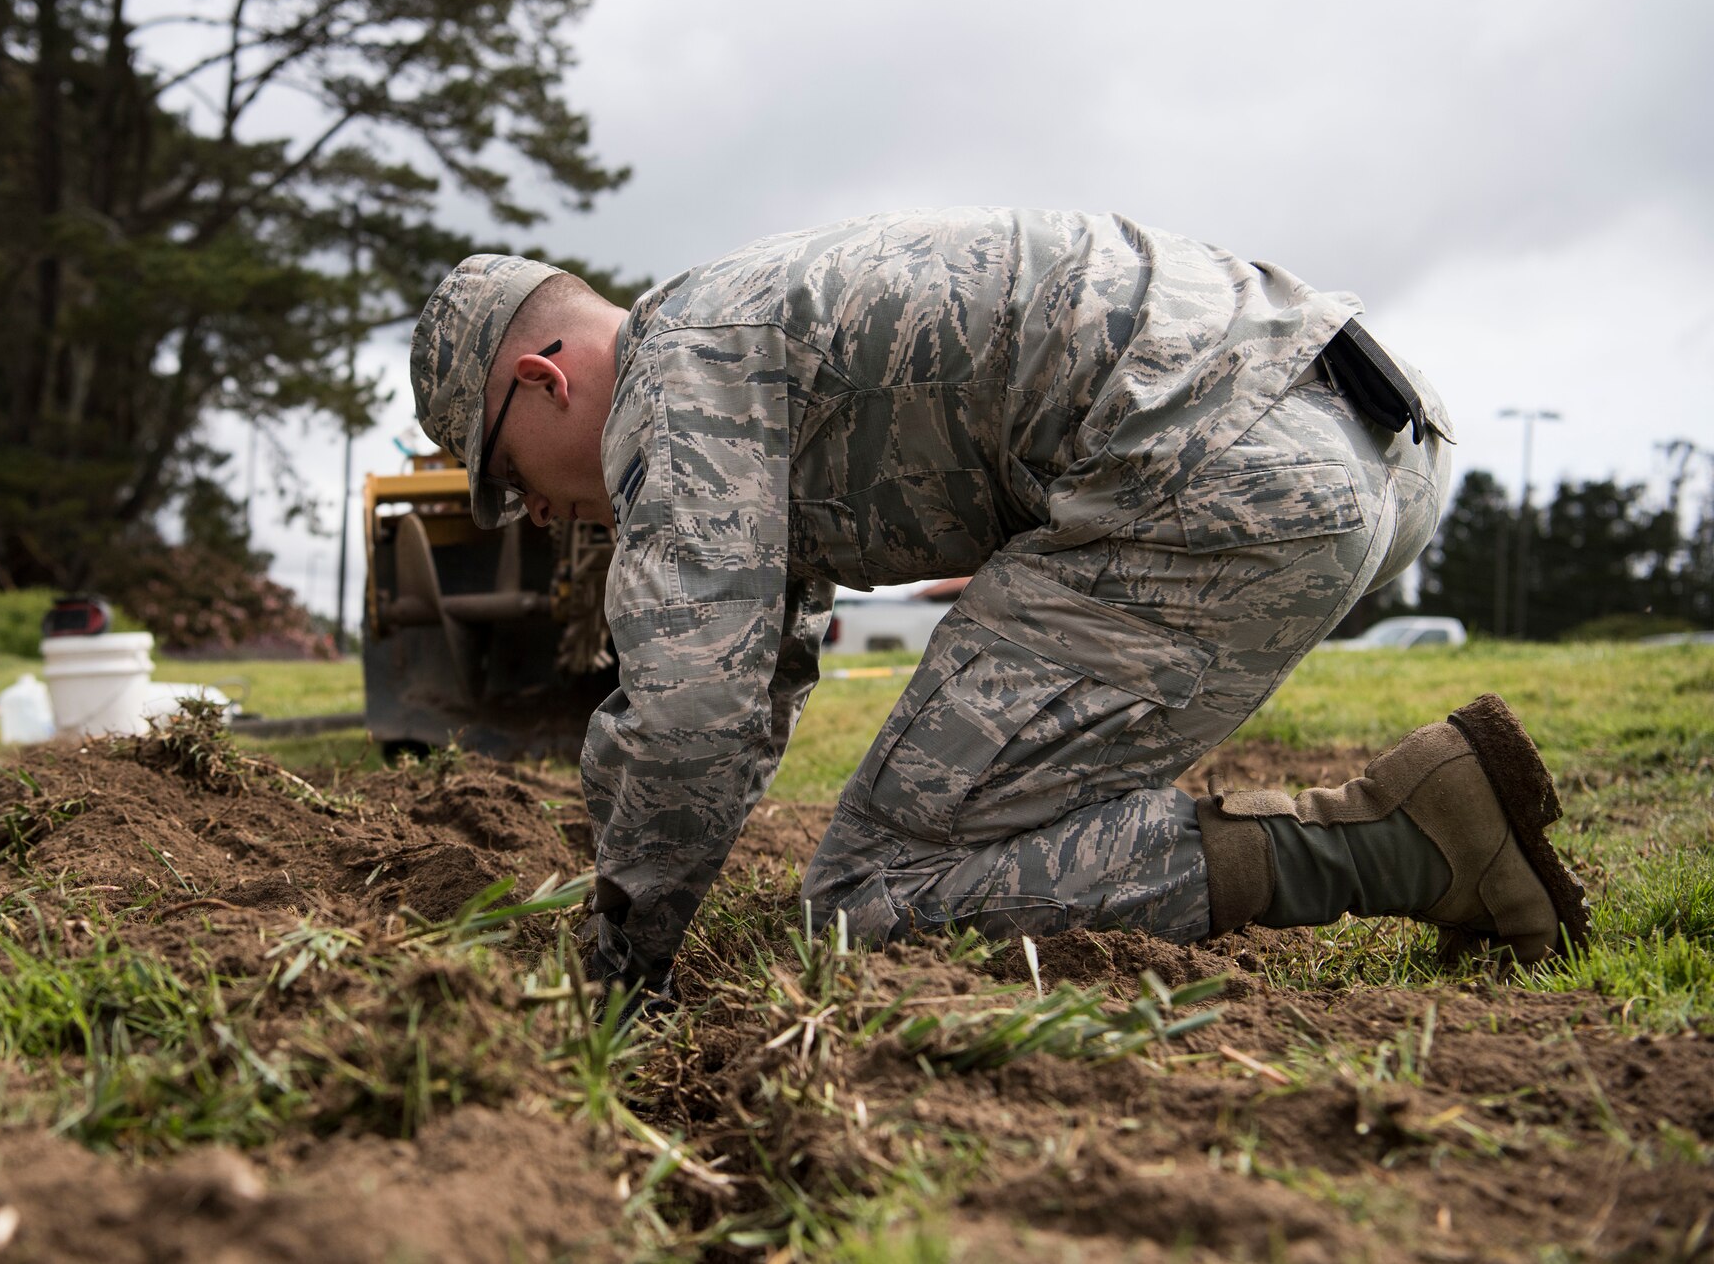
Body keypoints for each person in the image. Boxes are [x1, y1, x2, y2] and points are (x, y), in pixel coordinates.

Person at [409, 209, 1590, 1003]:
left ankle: (1401, 838)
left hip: (1228, 469)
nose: (538, 513)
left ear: (541, 378)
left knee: (874, 897)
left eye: (509, 478)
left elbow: (687, 714)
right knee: (949, 813)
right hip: (1371, 434)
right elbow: (749, 668)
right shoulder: (735, 331)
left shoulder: (678, 388)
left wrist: (621, 962)